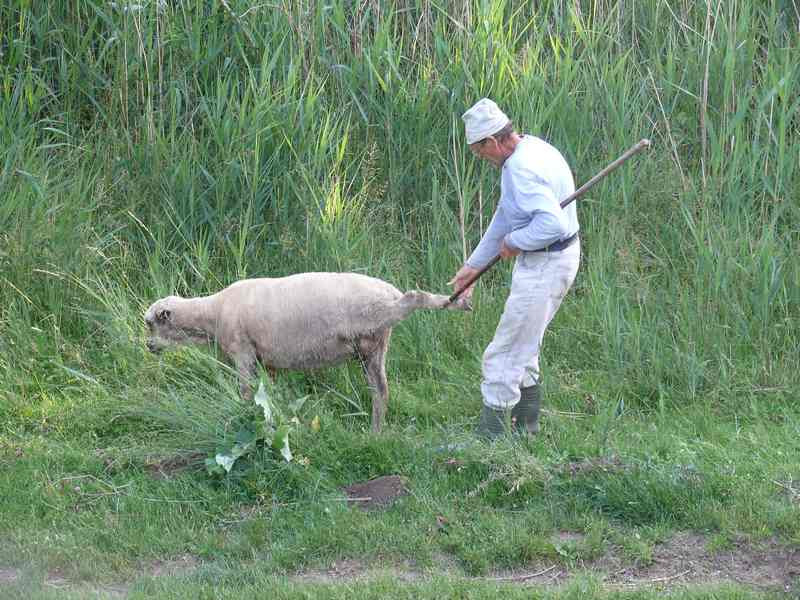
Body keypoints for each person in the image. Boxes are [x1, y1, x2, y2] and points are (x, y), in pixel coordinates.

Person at [449, 98, 581, 439]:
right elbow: (507, 215)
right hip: (555, 259)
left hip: (547, 264)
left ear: (492, 142)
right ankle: (526, 433)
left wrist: (517, 241)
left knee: (504, 354)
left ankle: (489, 446)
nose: (482, 159)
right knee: (525, 346)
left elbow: (552, 224)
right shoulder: (534, 148)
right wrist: (472, 267)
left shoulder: (520, 169)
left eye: (480, 152)